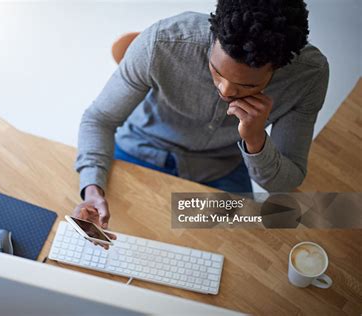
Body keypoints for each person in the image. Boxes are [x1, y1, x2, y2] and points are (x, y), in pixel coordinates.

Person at [73, 0, 329, 234]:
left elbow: (285, 183)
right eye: (216, 71)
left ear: (279, 67)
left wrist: (256, 140)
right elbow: (99, 119)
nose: (225, 91)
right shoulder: (162, 42)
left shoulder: (308, 77)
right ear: (214, 34)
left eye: (247, 86)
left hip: (221, 167)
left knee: (242, 251)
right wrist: (92, 189)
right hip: (142, 147)